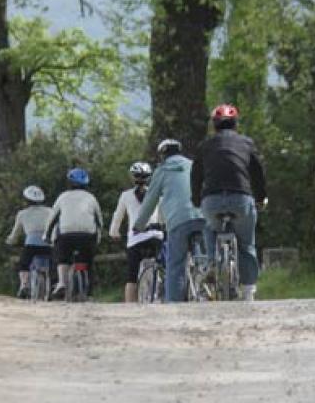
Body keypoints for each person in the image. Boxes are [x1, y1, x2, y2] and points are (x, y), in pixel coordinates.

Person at [191, 105, 267, 302]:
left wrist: (196, 200)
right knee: (247, 244)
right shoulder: (246, 143)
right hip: (241, 199)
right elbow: (258, 173)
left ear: (214, 126)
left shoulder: (204, 145)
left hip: (212, 200)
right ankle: (249, 290)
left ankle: (210, 264)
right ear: (236, 124)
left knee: (208, 226)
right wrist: (261, 198)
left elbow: (196, 175)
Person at [133, 139, 205, 303]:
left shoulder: (162, 171)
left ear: (162, 155)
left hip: (178, 221)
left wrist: (139, 225)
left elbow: (150, 201)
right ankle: (207, 282)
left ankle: (174, 305)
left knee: (175, 265)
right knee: (205, 256)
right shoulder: (193, 165)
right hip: (202, 216)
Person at [109, 162, 164, 303]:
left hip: (135, 239)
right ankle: (161, 292)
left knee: (131, 277)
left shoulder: (126, 196)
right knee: (162, 266)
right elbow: (163, 217)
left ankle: (130, 307)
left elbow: (118, 216)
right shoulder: (157, 194)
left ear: (133, 178)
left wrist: (114, 232)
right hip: (155, 236)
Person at [44, 168, 102, 300]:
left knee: (62, 257)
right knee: (88, 262)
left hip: (66, 235)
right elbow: (99, 220)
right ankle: (90, 292)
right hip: (87, 235)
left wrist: (46, 236)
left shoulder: (62, 197)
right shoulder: (91, 198)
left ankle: (62, 283)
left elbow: (52, 219)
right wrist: (98, 237)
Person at [5, 185, 52, 299]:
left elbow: (15, 233)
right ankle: (53, 286)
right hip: (48, 244)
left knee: (24, 264)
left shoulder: (22, 214)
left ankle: (24, 285)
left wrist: (10, 241)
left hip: (31, 244)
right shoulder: (50, 211)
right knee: (53, 264)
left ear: (26, 200)